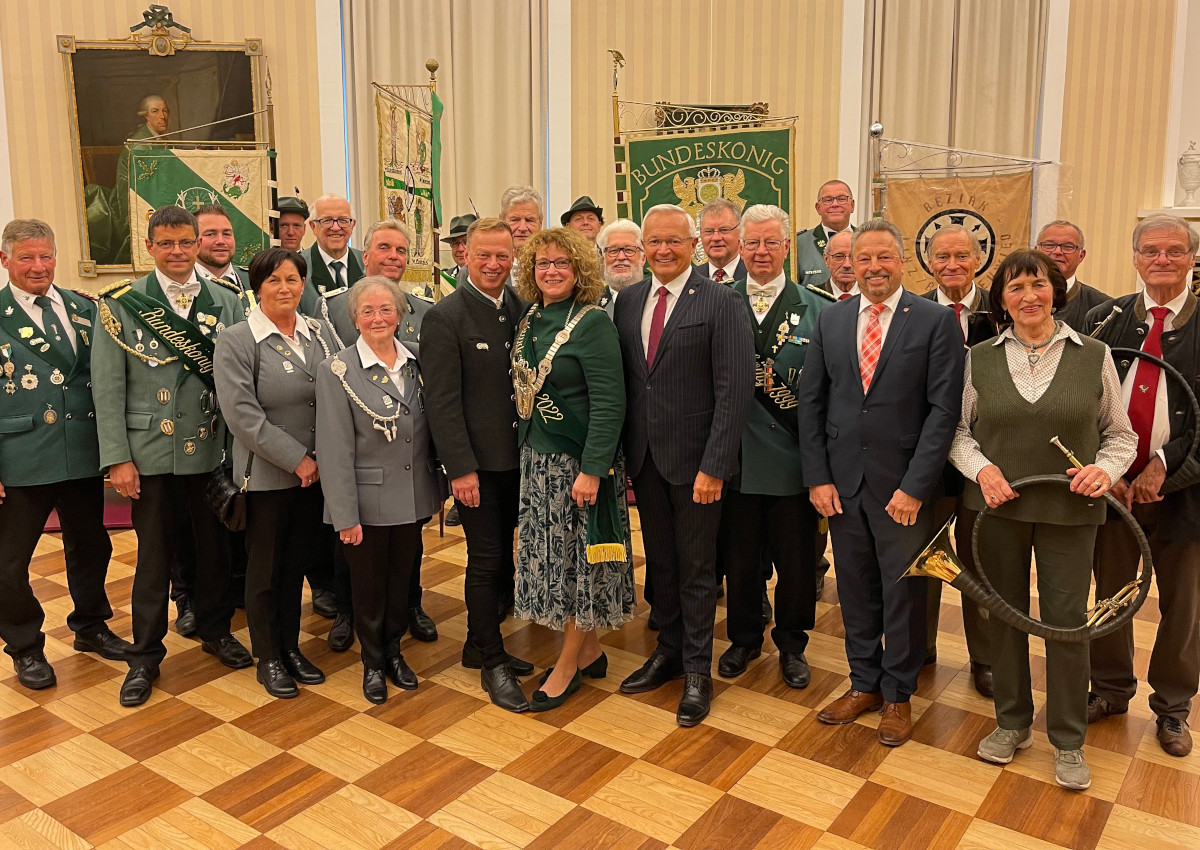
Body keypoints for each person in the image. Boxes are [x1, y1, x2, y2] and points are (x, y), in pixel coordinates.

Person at [949, 248, 1135, 790]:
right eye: (1015, 288)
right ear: (1001, 300)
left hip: (1070, 512)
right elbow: (959, 432)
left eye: (1038, 285)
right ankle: (1011, 723)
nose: (1028, 296)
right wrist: (982, 472)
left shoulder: (1094, 354)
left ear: (1056, 289)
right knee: (1003, 618)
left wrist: (1103, 470)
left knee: (1066, 623)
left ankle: (1069, 739)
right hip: (997, 510)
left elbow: (1120, 435)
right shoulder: (978, 357)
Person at [798, 218, 963, 748]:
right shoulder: (833, 319)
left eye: (882, 258)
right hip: (842, 485)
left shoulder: (935, 321)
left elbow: (943, 411)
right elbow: (813, 403)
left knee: (904, 593)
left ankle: (898, 693)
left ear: (901, 261)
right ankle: (863, 682)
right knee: (855, 589)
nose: (870, 268)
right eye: (860, 259)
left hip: (904, 489)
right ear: (847, 264)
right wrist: (818, 478)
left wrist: (916, 486)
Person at [92, 205, 250, 707]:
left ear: (197, 244)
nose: (178, 252)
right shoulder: (121, 303)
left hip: (208, 447)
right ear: (150, 247)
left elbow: (237, 382)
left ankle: (216, 630)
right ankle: (144, 656)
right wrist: (118, 458)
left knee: (214, 551)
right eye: (167, 244)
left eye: (186, 243)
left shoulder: (225, 300)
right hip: (150, 452)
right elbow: (108, 388)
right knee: (154, 557)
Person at [612, 203, 754, 726]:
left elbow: (734, 389)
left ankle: (698, 670)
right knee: (663, 565)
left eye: (674, 241)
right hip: (646, 461)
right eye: (654, 242)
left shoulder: (722, 302)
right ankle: (668, 651)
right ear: (643, 248)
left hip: (698, 465)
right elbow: (630, 383)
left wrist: (715, 465)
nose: (664, 250)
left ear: (693, 245)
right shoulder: (627, 302)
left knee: (697, 570)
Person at [1087, 214, 1200, 757]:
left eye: (1174, 251)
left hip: (1186, 496)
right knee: (1110, 594)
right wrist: (1105, 470)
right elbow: (1081, 405)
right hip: (1112, 494)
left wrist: (1164, 466)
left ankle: (1173, 708)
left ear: (1192, 258)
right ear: (1134, 256)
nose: (1162, 260)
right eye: (1151, 250)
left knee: (1184, 606)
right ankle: (1109, 691)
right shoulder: (1104, 319)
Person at [0, 218, 130, 690]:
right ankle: (25, 647)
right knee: (9, 563)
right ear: (5, 260)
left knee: (92, 546)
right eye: (27, 257)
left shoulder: (83, 309)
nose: (39, 266)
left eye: (46, 255)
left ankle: (92, 627)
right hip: (20, 457)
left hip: (80, 451)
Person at [511, 227, 632, 710]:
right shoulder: (531, 317)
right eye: (543, 263)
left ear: (580, 269)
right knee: (556, 565)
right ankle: (591, 651)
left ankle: (565, 666)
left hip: (578, 465)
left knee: (579, 567)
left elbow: (610, 403)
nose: (552, 271)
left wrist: (593, 468)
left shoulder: (593, 323)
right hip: (537, 464)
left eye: (562, 263)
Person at [214, 247, 338, 699]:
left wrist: (326, 458)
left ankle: (290, 648)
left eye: (292, 279)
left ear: (303, 284)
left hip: (318, 476)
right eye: (273, 281)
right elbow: (243, 416)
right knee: (264, 571)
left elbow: (343, 387)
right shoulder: (237, 340)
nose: (284, 288)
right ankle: (268, 656)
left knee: (295, 565)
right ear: (257, 288)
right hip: (267, 477)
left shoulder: (321, 333)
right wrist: (298, 459)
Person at [422, 217, 534, 712]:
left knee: (505, 558)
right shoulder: (446, 317)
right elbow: (441, 403)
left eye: (503, 256)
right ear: (463, 255)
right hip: (477, 468)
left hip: (520, 461)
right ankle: (491, 659)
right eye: (483, 255)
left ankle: (476, 641)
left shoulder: (522, 308)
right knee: (486, 560)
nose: (493, 265)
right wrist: (459, 469)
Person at [317, 277, 446, 704]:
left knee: (400, 582)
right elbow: (333, 450)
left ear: (401, 315)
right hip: (365, 502)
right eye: (368, 311)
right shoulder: (337, 369)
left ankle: (393, 652)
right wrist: (344, 515)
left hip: (411, 496)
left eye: (386, 309)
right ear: (354, 318)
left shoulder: (417, 363)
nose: (378, 318)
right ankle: (372, 662)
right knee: (368, 589)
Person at [717, 205, 825, 688]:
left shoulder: (818, 309)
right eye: (752, 243)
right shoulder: (718, 302)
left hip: (793, 461)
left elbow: (827, 393)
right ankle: (743, 638)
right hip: (735, 459)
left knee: (796, 561)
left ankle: (792, 643)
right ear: (740, 248)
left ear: (787, 247)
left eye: (771, 243)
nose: (761, 251)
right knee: (739, 559)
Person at [321, 218, 438, 647]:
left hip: (406, 459)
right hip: (357, 448)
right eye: (384, 248)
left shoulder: (424, 311)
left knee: (407, 543)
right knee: (352, 546)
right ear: (364, 255)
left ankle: (409, 604)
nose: (392, 257)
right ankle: (347, 612)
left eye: (401, 251)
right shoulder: (330, 308)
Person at [919, 224, 996, 693]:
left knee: (980, 559)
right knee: (925, 558)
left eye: (961, 256)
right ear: (929, 263)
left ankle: (984, 657)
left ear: (978, 259)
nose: (951, 265)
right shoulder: (914, 310)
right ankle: (919, 645)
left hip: (983, 459)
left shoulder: (1000, 310)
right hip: (926, 458)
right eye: (942, 256)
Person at [1036, 220, 1110, 333]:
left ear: (1081, 256)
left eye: (1068, 247)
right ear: (1036, 251)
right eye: (1049, 245)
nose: (1057, 251)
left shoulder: (1103, 307)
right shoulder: (1015, 299)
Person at [300, 195, 363, 319]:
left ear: (353, 225)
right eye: (326, 220)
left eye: (343, 220)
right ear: (313, 226)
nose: (335, 227)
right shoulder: (297, 266)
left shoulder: (367, 263)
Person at [796, 180, 856, 291]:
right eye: (828, 200)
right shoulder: (798, 244)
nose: (835, 204)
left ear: (852, 205)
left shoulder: (867, 241)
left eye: (841, 199)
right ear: (818, 208)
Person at [597, 219, 644, 318]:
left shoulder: (658, 301)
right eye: (613, 250)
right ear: (604, 259)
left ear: (643, 259)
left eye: (629, 250)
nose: (621, 257)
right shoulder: (589, 306)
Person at [696, 199, 746, 283]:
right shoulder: (689, 280)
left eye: (724, 230)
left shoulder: (754, 276)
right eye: (709, 231)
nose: (716, 238)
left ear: (740, 232)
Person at [500, 186, 544, 254]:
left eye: (529, 220)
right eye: (515, 220)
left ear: (540, 223)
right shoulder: (491, 262)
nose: (522, 228)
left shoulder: (551, 262)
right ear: (502, 221)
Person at [823, 231, 859, 300]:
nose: (847, 265)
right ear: (826, 260)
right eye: (839, 257)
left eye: (853, 257)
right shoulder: (813, 297)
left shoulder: (873, 296)